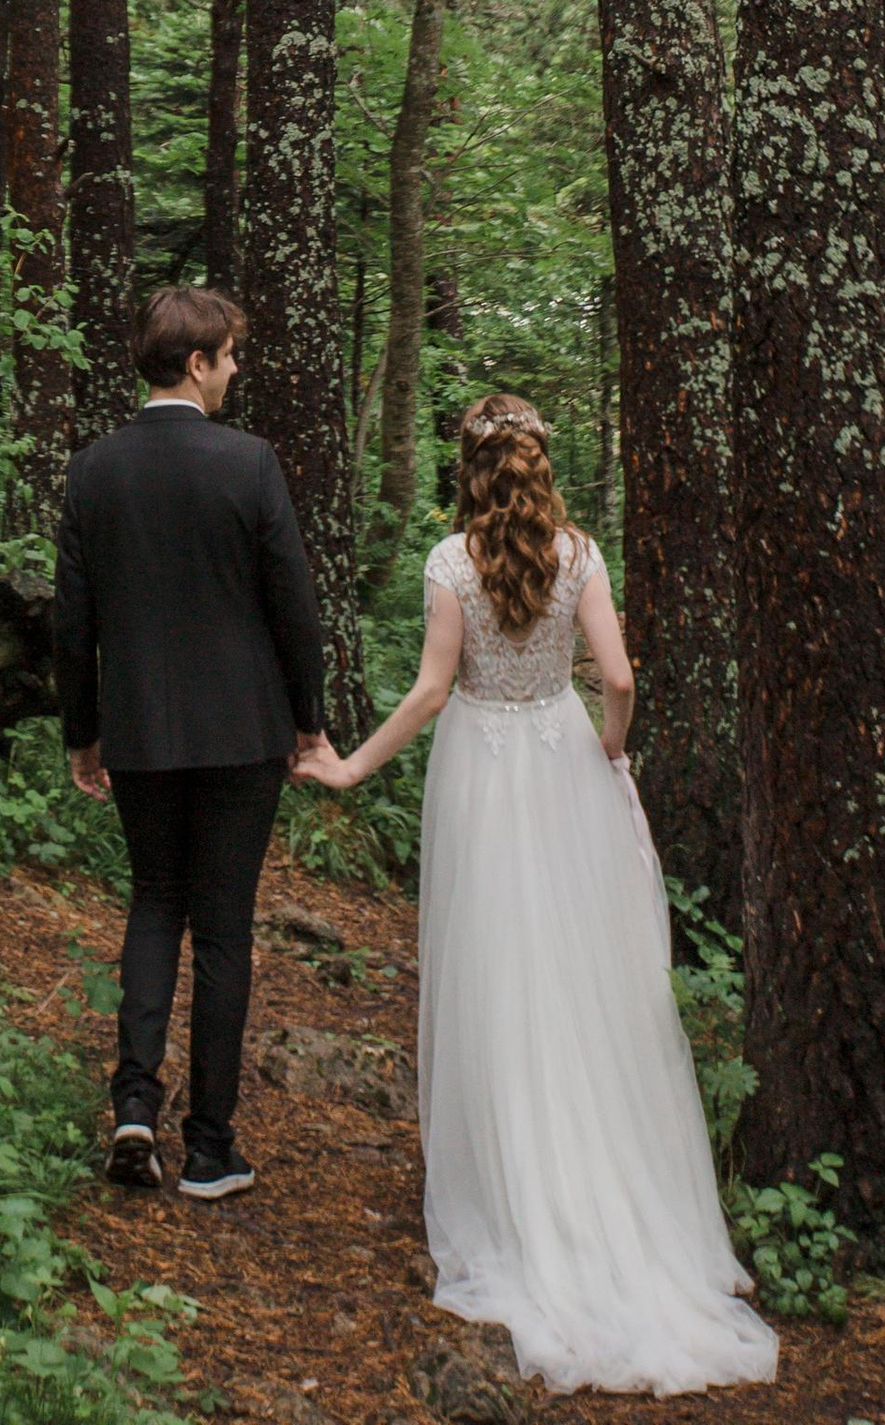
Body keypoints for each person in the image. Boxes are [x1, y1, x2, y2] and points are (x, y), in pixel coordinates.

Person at [297, 394, 777, 1396]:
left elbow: (431, 692)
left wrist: (351, 769)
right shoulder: (582, 556)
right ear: (539, 465)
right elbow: (621, 677)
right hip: (563, 763)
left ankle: (511, 1189)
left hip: (479, 768)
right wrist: (607, 748)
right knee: (584, 978)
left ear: (469, 470)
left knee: (496, 969)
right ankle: (604, 1189)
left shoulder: (447, 564)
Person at [53, 284, 328, 1202]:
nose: (236, 371)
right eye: (230, 356)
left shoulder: (93, 469)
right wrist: (308, 715)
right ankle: (210, 1147)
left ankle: (134, 1106)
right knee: (223, 928)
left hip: (139, 728)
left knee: (153, 904)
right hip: (243, 730)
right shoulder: (249, 464)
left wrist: (82, 732)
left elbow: (74, 618)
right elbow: (293, 600)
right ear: (198, 362)